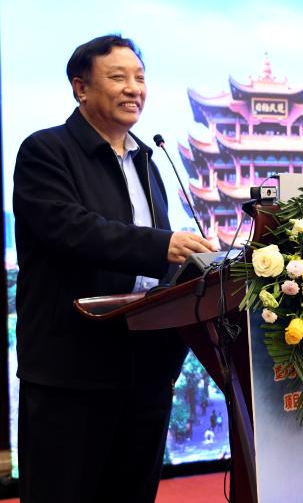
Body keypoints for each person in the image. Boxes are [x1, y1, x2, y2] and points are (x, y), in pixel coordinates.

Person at [13, 34, 217, 503]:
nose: (133, 89)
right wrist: (163, 245)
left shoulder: (148, 160)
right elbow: (72, 230)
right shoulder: (46, 151)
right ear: (81, 88)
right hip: (73, 370)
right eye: (118, 77)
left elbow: (157, 263)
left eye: (140, 78)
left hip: (146, 369)